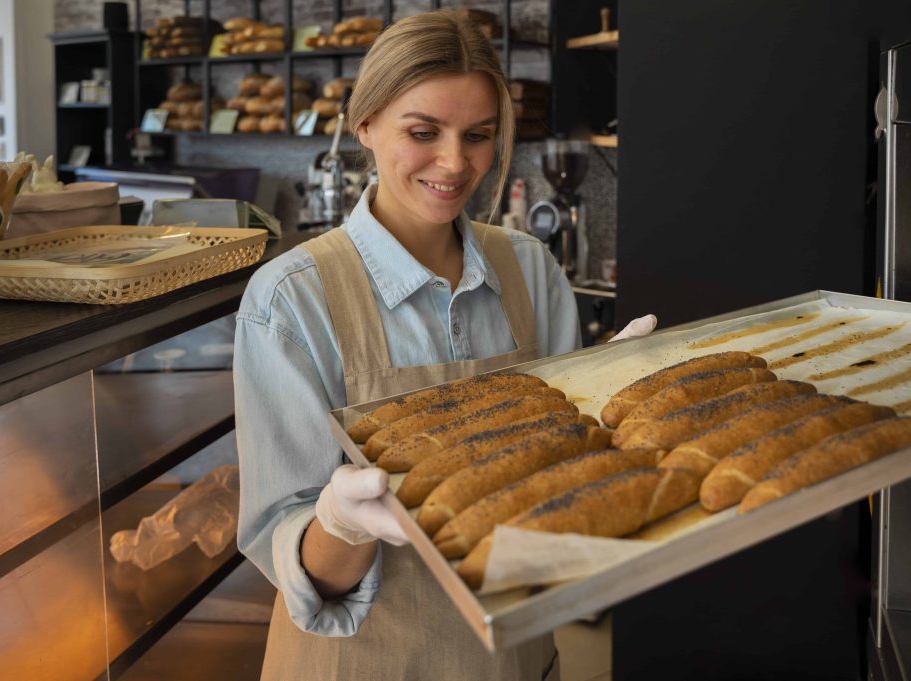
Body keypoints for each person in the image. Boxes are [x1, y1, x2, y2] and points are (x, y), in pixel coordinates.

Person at [234, 10, 656, 680]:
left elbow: (559, 497)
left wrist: (609, 419)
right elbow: (297, 569)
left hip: (513, 660)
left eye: (479, 135)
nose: (456, 163)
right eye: (423, 132)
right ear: (365, 122)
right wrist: (345, 524)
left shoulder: (531, 270)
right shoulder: (290, 300)